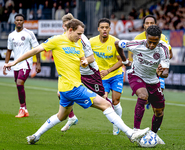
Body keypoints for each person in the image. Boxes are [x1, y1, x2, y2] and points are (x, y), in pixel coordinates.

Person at [3, 19, 149, 145]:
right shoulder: (56, 40)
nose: (81, 37)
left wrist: (84, 62)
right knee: (105, 104)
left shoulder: (78, 44)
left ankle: (35, 136)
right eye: (79, 34)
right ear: (70, 30)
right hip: (72, 87)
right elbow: (35, 51)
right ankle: (131, 133)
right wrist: (14, 62)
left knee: (61, 116)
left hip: (68, 88)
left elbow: (82, 60)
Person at [60, 13, 112, 132]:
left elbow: (91, 58)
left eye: (68, 25)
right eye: (64, 26)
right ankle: (72, 117)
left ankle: (116, 118)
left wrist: (80, 62)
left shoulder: (81, 38)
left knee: (102, 98)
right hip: (76, 73)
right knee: (60, 93)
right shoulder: (63, 38)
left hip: (90, 72)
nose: (66, 28)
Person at [115, 25, 170, 134]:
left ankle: (153, 136)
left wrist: (161, 73)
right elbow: (117, 44)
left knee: (159, 112)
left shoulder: (164, 48)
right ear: (146, 36)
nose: (152, 45)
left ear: (159, 39)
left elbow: (166, 72)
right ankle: (135, 131)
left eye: (155, 42)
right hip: (136, 75)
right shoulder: (136, 44)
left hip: (153, 80)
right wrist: (125, 61)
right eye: (150, 41)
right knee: (143, 96)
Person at [90, 18, 124, 135]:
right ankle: (116, 120)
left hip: (115, 74)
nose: (104, 29)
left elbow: (121, 61)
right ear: (98, 29)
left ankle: (117, 124)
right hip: (101, 77)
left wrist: (108, 70)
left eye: (106, 27)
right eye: (102, 27)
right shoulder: (92, 42)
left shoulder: (115, 42)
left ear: (110, 29)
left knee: (116, 101)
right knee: (103, 100)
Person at [3, 14, 41, 118]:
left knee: (20, 82)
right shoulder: (11, 35)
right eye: (17, 20)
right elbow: (9, 50)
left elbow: (37, 48)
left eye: (21, 20)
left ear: (24, 21)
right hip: (16, 64)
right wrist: (6, 64)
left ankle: (22, 108)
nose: (19, 22)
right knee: (18, 85)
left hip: (26, 63)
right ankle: (25, 110)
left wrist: (38, 63)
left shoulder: (29, 33)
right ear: (14, 22)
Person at [134, 15, 173, 108]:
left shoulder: (162, 37)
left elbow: (170, 54)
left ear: (155, 24)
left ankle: (154, 103)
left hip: (157, 69)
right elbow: (135, 56)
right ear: (143, 25)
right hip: (143, 70)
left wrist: (162, 63)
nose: (149, 25)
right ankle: (148, 100)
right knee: (144, 95)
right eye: (147, 23)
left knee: (160, 89)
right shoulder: (138, 38)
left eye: (152, 23)